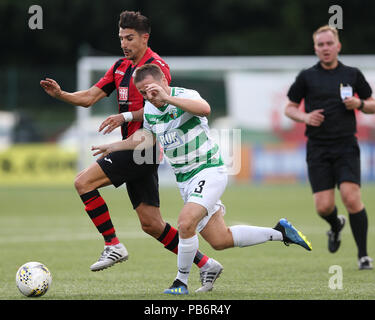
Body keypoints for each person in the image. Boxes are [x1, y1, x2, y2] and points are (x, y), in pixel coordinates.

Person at [92, 63, 312, 295]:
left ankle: (180, 282)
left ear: (164, 82)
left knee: (186, 222)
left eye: (151, 89)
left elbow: (204, 109)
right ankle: (281, 232)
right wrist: (114, 147)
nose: (149, 96)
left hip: (209, 171)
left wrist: (167, 98)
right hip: (185, 181)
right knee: (220, 239)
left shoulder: (183, 95)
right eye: (143, 93)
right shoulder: (149, 110)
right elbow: (147, 139)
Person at [40, 11, 219, 291]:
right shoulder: (120, 67)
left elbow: (161, 104)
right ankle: (206, 264)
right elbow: (89, 98)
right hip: (134, 149)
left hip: (145, 146)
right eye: (121, 37)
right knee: (151, 224)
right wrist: (62, 95)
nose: (124, 43)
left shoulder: (156, 68)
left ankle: (112, 244)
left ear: (145, 38)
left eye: (130, 38)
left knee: (83, 182)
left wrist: (124, 117)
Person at [285, 25, 375, 270]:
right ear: (315, 48)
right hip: (318, 148)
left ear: (338, 46)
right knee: (323, 206)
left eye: (329, 43)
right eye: (320, 45)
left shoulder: (352, 74)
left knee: (351, 197)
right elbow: (290, 108)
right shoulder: (306, 77)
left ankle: (363, 255)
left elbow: (372, 104)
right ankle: (336, 225)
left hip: (346, 145)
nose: (325, 48)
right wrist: (305, 117)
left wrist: (358, 103)